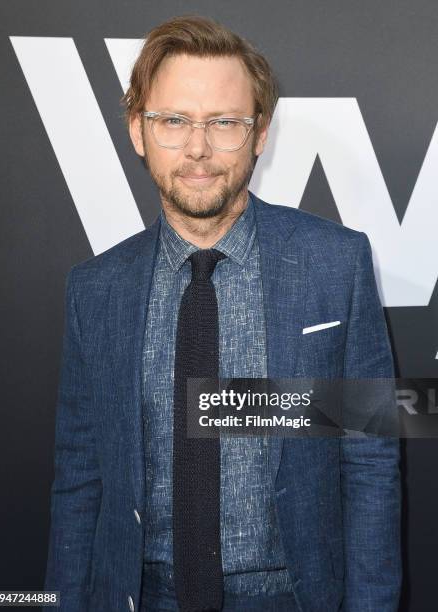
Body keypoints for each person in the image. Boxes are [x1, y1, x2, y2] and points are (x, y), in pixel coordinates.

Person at [44, 14, 401, 612]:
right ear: (137, 130)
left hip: (292, 595)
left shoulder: (336, 263)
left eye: (224, 123)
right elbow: (80, 480)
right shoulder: (94, 289)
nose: (198, 148)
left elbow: (370, 459)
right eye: (173, 121)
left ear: (260, 132)